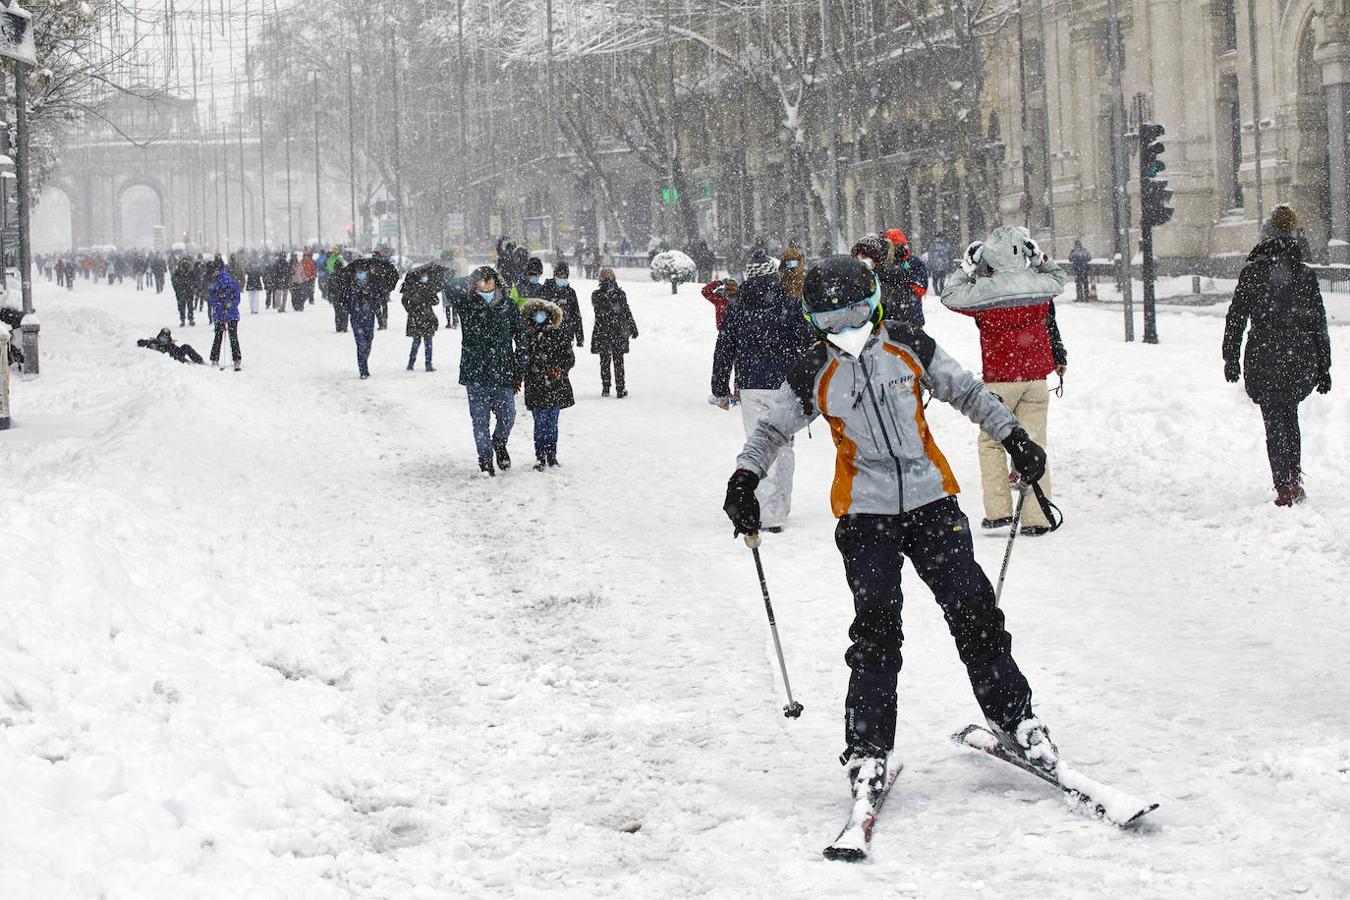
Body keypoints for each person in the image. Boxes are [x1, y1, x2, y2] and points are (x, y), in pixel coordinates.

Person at [721, 254, 1058, 817]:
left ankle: (1015, 719)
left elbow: (969, 392)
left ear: (874, 304)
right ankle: (868, 750)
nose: (845, 330)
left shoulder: (910, 346)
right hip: (864, 516)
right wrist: (744, 477)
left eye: (855, 314)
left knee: (974, 611)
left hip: (932, 504)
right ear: (813, 321)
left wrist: (1014, 437)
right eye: (830, 321)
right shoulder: (812, 371)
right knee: (877, 632)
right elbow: (771, 429)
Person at [943, 226, 1069, 536]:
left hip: (1000, 379)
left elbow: (949, 295)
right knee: (1034, 443)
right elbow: (1060, 279)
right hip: (1036, 379)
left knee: (991, 443)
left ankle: (999, 511)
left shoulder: (985, 290)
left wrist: (967, 267)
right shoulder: (1038, 285)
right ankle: (1037, 516)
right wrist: (1039, 259)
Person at [1223, 204, 1333, 506]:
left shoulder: (1253, 271)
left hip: (1265, 354)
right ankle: (1293, 478)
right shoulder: (1303, 273)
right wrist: (1324, 365)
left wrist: (1230, 356)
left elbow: (1236, 317)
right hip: (1298, 355)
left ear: (1266, 235)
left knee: (1274, 421)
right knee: (1290, 416)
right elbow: (1317, 322)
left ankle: (1283, 486)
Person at [711, 249, 816, 532]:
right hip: (785, 384)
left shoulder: (737, 306)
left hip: (751, 385)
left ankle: (769, 512)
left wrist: (720, 387)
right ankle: (781, 504)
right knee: (785, 447)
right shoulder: (789, 304)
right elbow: (809, 342)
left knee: (760, 444)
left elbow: (724, 349)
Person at [447, 266, 529, 476]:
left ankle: (499, 443)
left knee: (508, 416)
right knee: (480, 421)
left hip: (502, 372)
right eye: (481, 281)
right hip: (475, 374)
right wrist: (471, 280)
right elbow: (449, 287)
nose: (486, 284)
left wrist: (521, 359)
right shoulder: (467, 304)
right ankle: (485, 461)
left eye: (489, 279)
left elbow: (521, 334)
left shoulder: (508, 306)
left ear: (496, 281)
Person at [521, 298, 577, 470]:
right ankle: (540, 456)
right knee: (539, 422)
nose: (540, 316)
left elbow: (569, 358)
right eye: (537, 313)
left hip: (555, 385)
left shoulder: (559, 334)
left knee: (552, 422)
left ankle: (552, 455)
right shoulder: (527, 336)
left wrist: (559, 370)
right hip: (535, 385)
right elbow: (522, 358)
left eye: (544, 313)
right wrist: (529, 371)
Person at [590, 267, 638, 398]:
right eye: (605, 277)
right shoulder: (597, 294)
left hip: (618, 331)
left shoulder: (620, 294)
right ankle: (605, 387)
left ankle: (620, 388)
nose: (608, 280)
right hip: (603, 331)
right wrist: (610, 305)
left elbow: (626, 311)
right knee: (604, 360)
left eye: (610, 277)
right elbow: (599, 312)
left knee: (619, 361)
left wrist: (633, 327)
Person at [205, 261, 243, 371]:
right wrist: (219, 301)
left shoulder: (229, 282)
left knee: (225, 337)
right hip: (222, 314)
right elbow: (212, 299)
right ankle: (234, 360)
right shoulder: (215, 283)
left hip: (228, 314)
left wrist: (228, 303)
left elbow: (236, 298)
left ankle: (218, 359)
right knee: (228, 337)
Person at [402, 268, 441, 372]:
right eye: (424, 275)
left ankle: (411, 364)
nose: (425, 277)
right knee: (427, 342)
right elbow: (436, 301)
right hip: (426, 317)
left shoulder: (411, 288)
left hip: (417, 318)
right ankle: (427, 364)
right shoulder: (428, 287)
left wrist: (410, 309)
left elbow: (404, 301)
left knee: (417, 341)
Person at [347, 267, 381, 379]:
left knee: (368, 341)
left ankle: (364, 363)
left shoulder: (372, 285)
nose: (361, 274)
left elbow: (378, 300)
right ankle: (363, 369)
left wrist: (371, 298)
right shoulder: (351, 285)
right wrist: (357, 298)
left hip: (369, 317)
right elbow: (346, 301)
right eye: (359, 272)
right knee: (361, 344)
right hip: (356, 318)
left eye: (363, 272)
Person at [542, 262, 585, 347]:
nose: (562, 279)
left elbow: (576, 315)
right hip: (548, 334)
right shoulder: (545, 290)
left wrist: (580, 337)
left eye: (564, 277)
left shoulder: (570, 293)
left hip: (566, 335)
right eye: (559, 276)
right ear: (555, 276)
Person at [136, 327, 204, 365]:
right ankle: (186, 362)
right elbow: (140, 342)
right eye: (161, 338)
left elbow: (177, 351)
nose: (163, 340)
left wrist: (171, 345)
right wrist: (150, 344)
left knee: (186, 347)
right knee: (173, 355)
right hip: (169, 359)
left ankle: (199, 361)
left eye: (165, 339)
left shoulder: (170, 344)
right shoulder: (154, 342)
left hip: (176, 355)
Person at [326, 248, 349, 332]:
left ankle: (339, 327)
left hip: (336, 297)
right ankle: (344, 326)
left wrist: (329, 296)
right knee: (345, 312)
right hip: (344, 297)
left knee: (337, 312)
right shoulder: (346, 275)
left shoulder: (332, 276)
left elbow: (330, 288)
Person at [170, 258, 197, 327]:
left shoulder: (190, 272)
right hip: (182, 291)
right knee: (183, 306)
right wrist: (178, 288)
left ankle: (189, 319)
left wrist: (193, 287)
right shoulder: (178, 272)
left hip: (187, 291)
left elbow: (195, 280)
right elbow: (174, 281)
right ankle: (184, 319)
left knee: (188, 306)